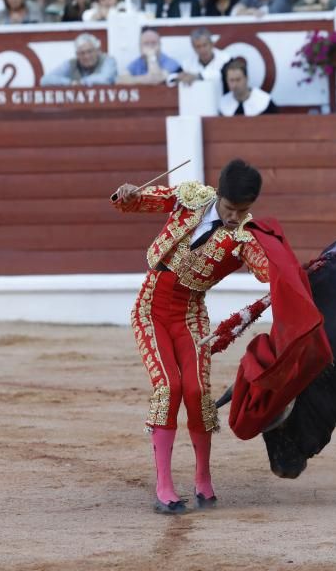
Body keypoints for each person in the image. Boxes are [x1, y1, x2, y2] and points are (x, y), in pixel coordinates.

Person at [110, 160, 272, 514]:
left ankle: (203, 480)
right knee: (170, 387)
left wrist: (285, 275)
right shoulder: (193, 197)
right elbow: (140, 200)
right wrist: (128, 193)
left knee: (197, 392)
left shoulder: (246, 235)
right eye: (230, 209)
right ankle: (164, 487)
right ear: (219, 196)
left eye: (243, 210)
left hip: (191, 315)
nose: (234, 217)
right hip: (150, 308)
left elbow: (267, 269)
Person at [40, 32, 117, 86]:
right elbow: (45, 80)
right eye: (82, 53)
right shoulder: (72, 63)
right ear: (77, 55)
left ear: (97, 51)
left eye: (90, 51)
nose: (86, 56)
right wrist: (70, 83)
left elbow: (105, 79)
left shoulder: (108, 60)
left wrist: (81, 83)